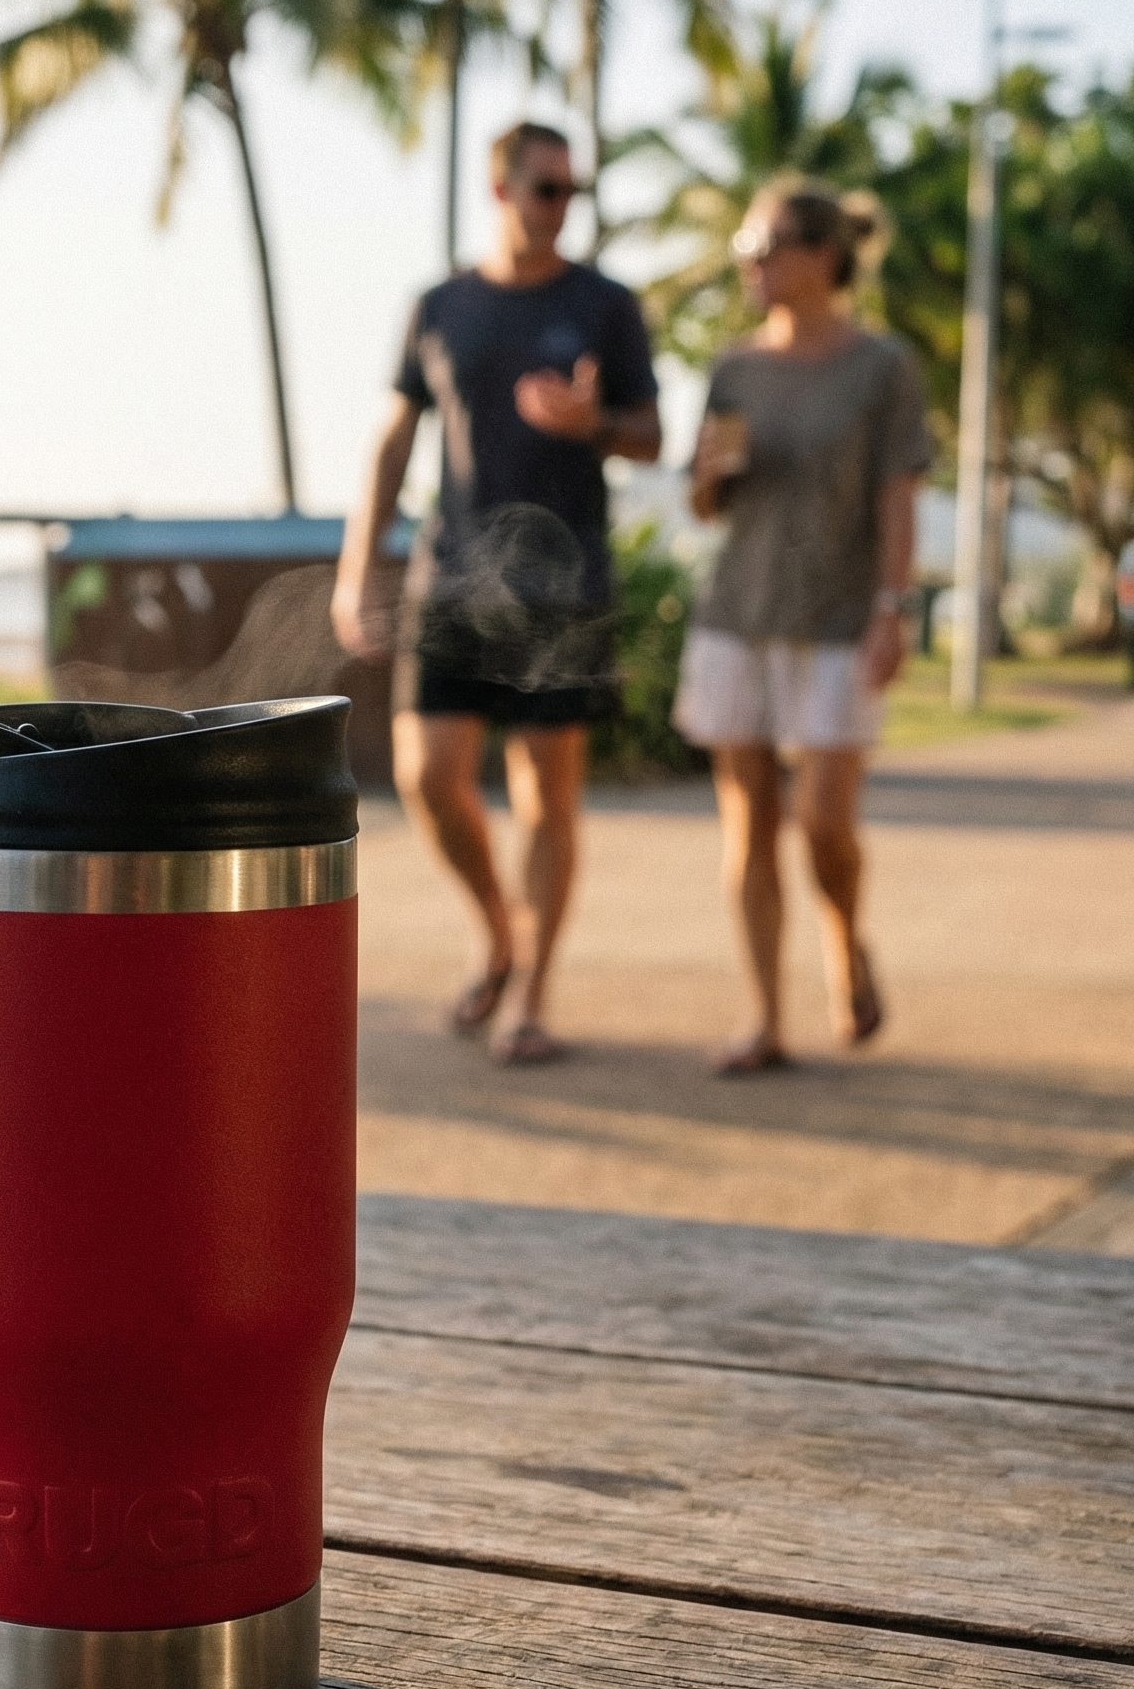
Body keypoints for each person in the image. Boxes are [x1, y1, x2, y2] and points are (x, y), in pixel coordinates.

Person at [332, 121, 661, 1065]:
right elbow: (393, 440)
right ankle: (497, 932)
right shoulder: (439, 306)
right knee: (426, 778)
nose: (562, 206)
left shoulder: (605, 304)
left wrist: (594, 422)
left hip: (566, 583)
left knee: (547, 796)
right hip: (454, 576)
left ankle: (531, 995)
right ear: (501, 189)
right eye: (546, 188)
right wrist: (359, 568)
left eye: (572, 191)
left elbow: (651, 436)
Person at [677, 177, 931, 1075]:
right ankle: (763, 1018)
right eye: (744, 250)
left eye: (766, 247)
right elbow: (705, 505)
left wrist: (891, 612)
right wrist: (708, 476)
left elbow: (897, 498)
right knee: (748, 823)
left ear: (824, 256)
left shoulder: (883, 368)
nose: (750, 264)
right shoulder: (734, 369)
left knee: (823, 820)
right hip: (737, 615)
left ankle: (844, 941)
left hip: (838, 618)